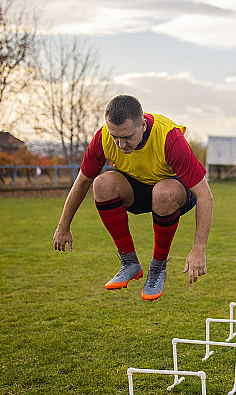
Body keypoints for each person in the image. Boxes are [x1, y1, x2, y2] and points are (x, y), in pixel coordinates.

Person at [52, 95, 213, 301]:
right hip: (137, 191)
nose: (120, 144)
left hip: (173, 191)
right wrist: (63, 226)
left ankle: (157, 269)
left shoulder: (169, 138)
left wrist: (198, 249)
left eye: (127, 137)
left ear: (143, 125)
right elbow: (82, 182)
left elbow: (205, 196)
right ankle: (130, 263)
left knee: (163, 192)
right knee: (101, 183)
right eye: (115, 137)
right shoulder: (102, 138)